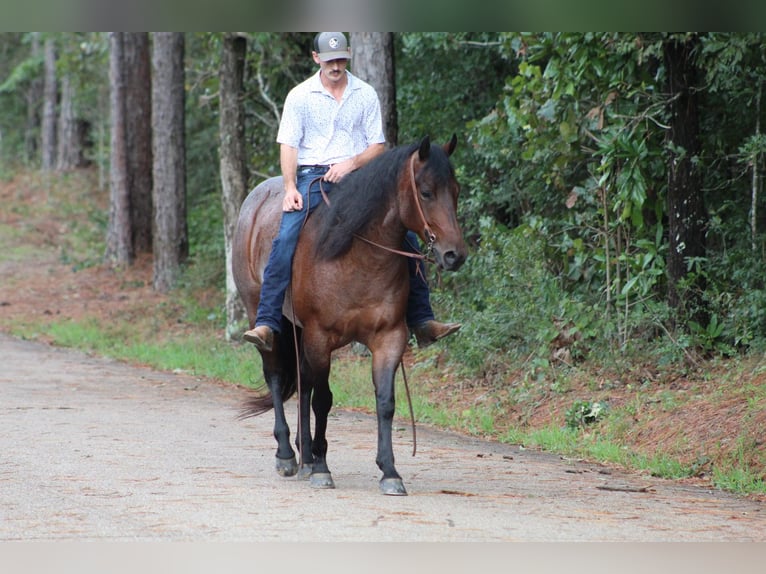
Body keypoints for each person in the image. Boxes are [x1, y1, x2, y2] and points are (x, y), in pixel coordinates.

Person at [244, 32, 460, 352]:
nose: (336, 65)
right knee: (287, 236)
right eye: (330, 60)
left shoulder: (365, 93)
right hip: (312, 176)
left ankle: (422, 319)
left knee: (407, 235)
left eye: (341, 59)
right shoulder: (300, 96)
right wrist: (290, 187)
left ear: (347, 58)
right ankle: (267, 322)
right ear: (316, 59)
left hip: (359, 177)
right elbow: (289, 146)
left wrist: (350, 164)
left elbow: (377, 145)